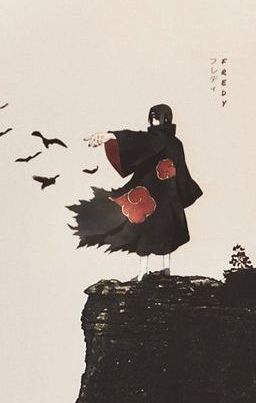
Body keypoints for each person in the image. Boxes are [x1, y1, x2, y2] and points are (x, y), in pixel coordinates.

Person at [67, 104, 203, 280]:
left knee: (151, 232)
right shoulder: (170, 143)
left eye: (156, 117)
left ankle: (153, 271)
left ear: (164, 118)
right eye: (151, 117)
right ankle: (154, 270)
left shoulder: (158, 140)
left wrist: (112, 136)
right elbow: (141, 142)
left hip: (154, 196)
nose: (153, 120)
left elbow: (137, 141)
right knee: (157, 233)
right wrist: (185, 192)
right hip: (161, 197)